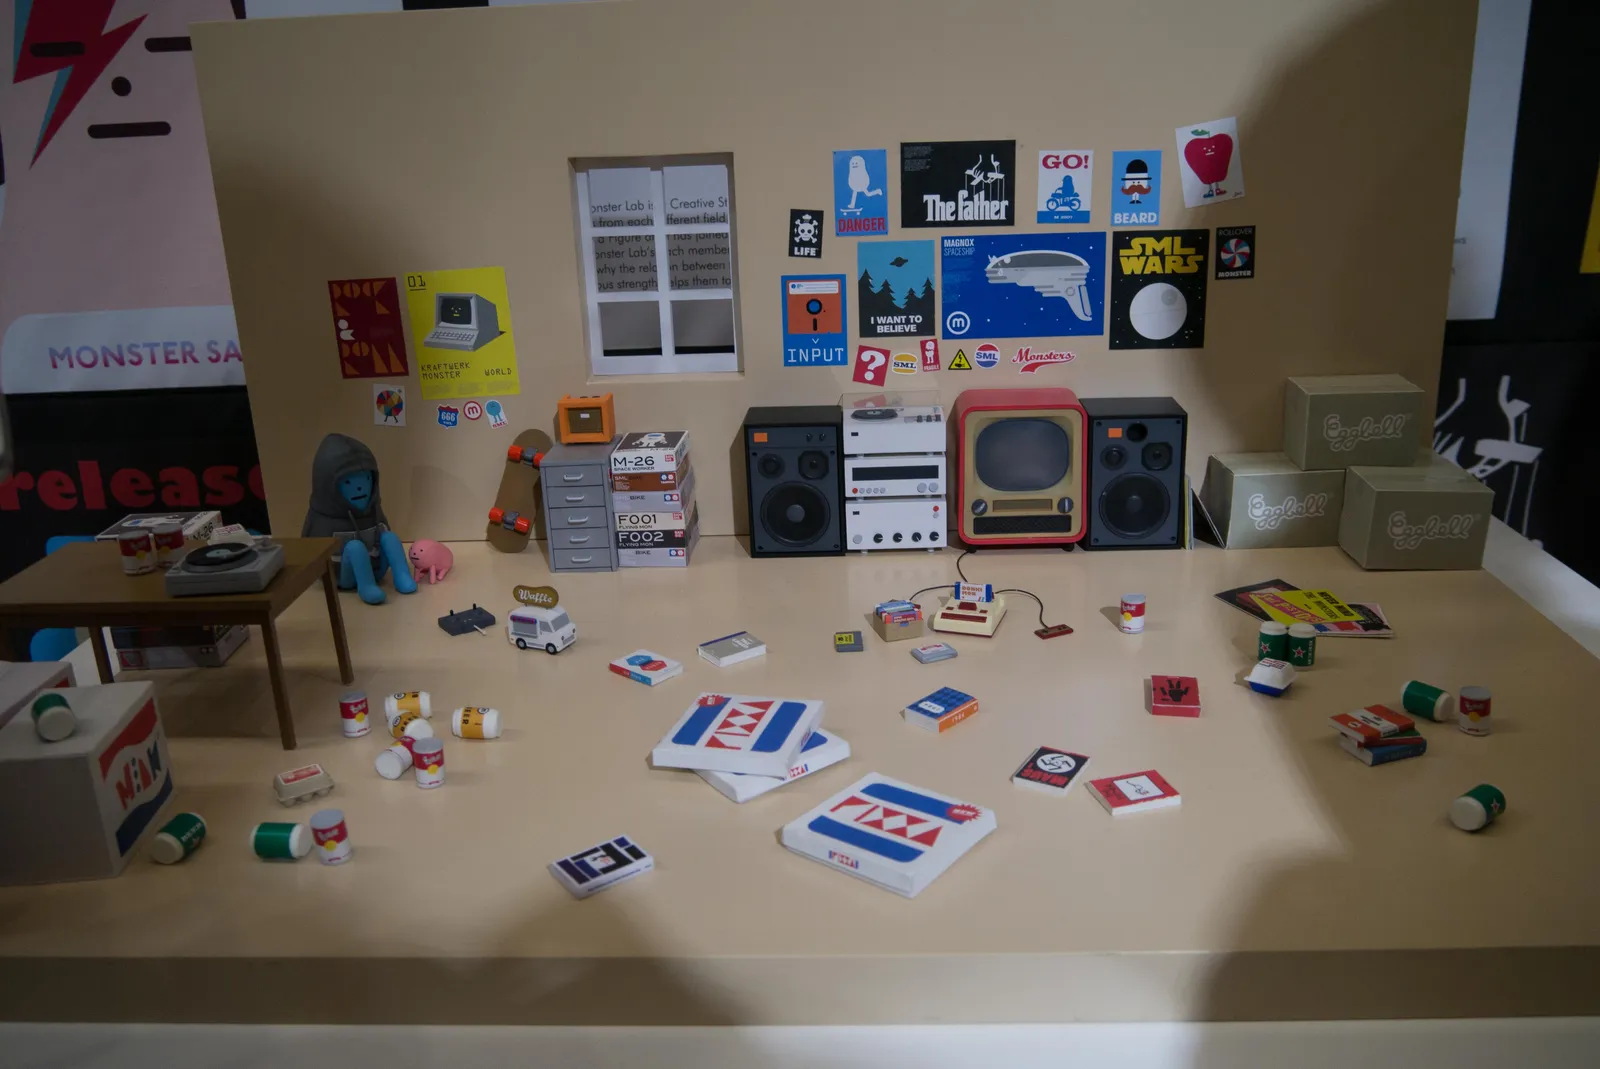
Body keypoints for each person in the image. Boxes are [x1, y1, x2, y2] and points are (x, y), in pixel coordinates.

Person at [302, 433, 416, 605]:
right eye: (348, 483)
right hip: (342, 576)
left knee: (390, 538)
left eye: (367, 479)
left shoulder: (373, 510)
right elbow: (310, 549)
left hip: (376, 568)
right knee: (355, 548)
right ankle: (366, 587)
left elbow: (382, 531)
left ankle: (402, 576)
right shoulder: (323, 517)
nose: (360, 488)